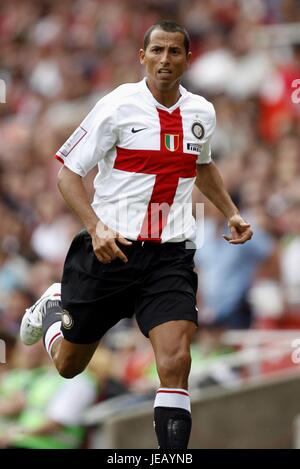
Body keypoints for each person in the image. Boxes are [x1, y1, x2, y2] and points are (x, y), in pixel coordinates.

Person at [20, 20, 253, 449]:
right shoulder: (116, 106)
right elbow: (68, 175)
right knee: (69, 365)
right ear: (142, 57)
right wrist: (96, 228)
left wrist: (232, 212)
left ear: (187, 58)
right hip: (111, 249)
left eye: (175, 52)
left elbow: (202, 165)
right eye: (157, 51)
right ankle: (54, 304)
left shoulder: (201, 112)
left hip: (171, 254)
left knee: (176, 359)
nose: (165, 60)